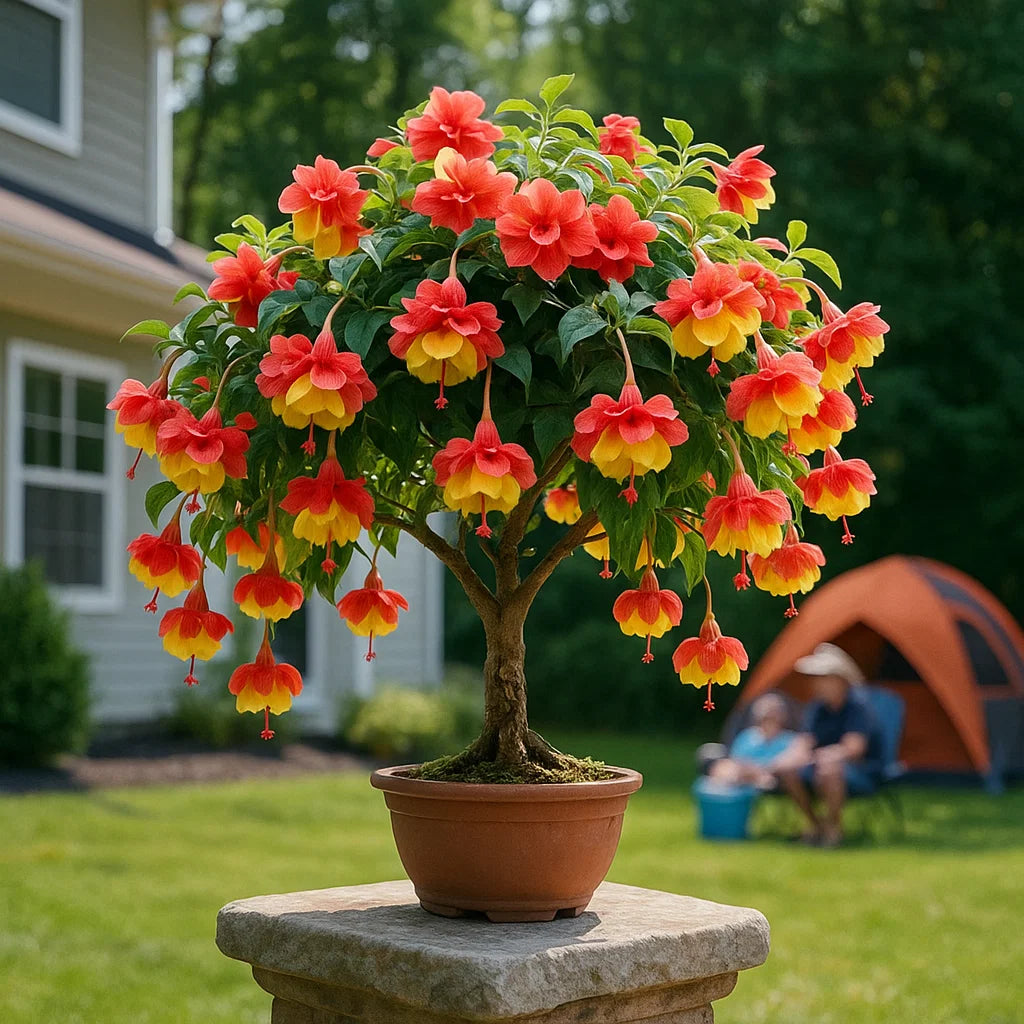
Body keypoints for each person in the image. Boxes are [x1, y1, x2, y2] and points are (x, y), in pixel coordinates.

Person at [775, 643, 885, 847]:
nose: (816, 684)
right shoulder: (817, 709)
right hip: (820, 766)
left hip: (862, 771)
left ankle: (834, 829)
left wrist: (822, 756)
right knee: (788, 769)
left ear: (840, 680)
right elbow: (805, 741)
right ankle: (814, 825)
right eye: (815, 678)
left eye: (823, 678)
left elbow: (854, 748)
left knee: (829, 768)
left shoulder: (858, 707)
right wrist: (787, 758)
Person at [708, 693, 796, 790]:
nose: (770, 716)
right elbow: (736, 760)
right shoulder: (748, 736)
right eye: (767, 712)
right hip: (746, 773)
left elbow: (790, 762)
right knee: (722, 768)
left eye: (774, 712)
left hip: (775, 776)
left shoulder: (789, 739)